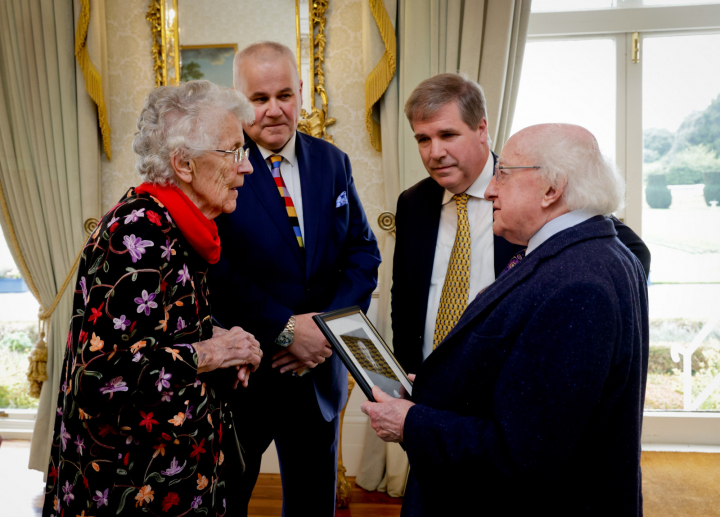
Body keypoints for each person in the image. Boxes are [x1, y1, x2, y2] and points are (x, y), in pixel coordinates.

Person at [362, 123, 650, 516]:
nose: (491, 189)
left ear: (552, 188)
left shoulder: (578, 285)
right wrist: (437, 390)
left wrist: (411, 423)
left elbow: (522, 453)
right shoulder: (591, 254)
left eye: (504, 173)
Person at [42, 80, 263, 517]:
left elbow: (153, 333)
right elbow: (100, 375)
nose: (247, 168)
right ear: (183, 163)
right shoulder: (137, 231)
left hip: (174, 474)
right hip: (132, 484)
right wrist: (210, 352)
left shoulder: (174, 225)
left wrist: (221, 342)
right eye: (234, 151)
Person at [207, 41, 381, 516]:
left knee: (311, 504)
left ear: (301, 92)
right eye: (259, 99)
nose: (274, 110)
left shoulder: (333, 162)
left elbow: (363, 253)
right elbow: (216, 271)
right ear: (239, 100)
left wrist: (323, 332)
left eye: (285, 94)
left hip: (319, 371)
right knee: (227, 500)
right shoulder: (218, 167)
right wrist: (287, 329)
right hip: (247, 375)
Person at [391, 73, 651, 376]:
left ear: (481, 129)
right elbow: (406, 297)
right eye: (423, 139)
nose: (435, 152)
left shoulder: (535, 184)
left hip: (505, 385)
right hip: (423, 382)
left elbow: (627, 252)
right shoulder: (412, 202)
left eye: (447, 135)